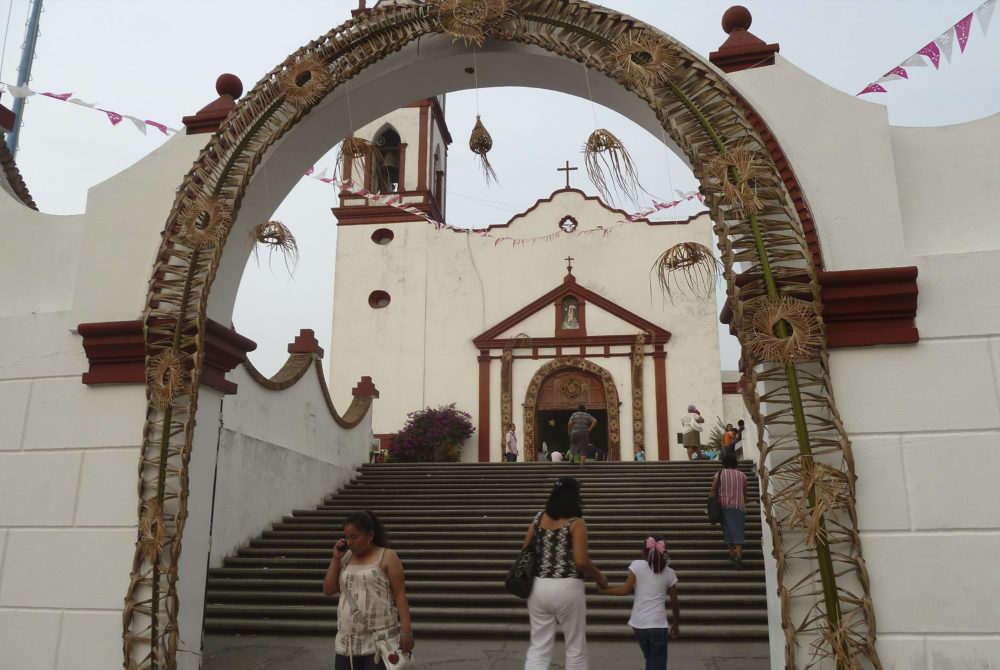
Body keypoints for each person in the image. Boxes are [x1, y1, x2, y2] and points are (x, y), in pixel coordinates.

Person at [521, 477, 608, 670]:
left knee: (539, 647)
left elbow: (525, 547)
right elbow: (581, 561)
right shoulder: (576, 523)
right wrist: (599, 576)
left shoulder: (538, 518)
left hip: (538, 586)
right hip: (567, 585)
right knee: (575, 646)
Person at [323, 511, 414, 669]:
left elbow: (400, 595)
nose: (349, 542)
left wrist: (406, 631)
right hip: (347, 642)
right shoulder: (345, 558)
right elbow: (329, 589)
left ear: (370, 535)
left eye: (354, 537)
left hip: (379, 641)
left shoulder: (387, 556)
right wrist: (335, 559)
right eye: (347, 537)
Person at [598, 536, 680, 670]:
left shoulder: (637, 566)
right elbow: (675, 602)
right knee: (657, 663)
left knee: (651, 660)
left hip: (639, 623)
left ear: (643, 552)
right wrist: (676, 623)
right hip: (658, 624)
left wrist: (605, 591)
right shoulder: (669, 573)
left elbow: (625, 590)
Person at [710, 452, 748, 569]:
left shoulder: (720, 474)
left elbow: (713, 489)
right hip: (738, 506)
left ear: (724, 463)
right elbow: (745, 492)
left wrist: (711, 501)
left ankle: (731, 553)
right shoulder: (742, 475)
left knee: (727, 529)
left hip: (724, 506)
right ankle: (739, 555)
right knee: (738, 530)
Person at [568, 404, 598, 469]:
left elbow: (570, 423)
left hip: (574, 432)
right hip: (584, 432)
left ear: (578, 409)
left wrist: (569, 431)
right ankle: (581, 465)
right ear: (584, 409)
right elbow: (595, 420)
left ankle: (572, 459)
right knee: (583, 448)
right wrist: (590, 428)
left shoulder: (574, 414)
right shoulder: (587, 415)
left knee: (573, 445)